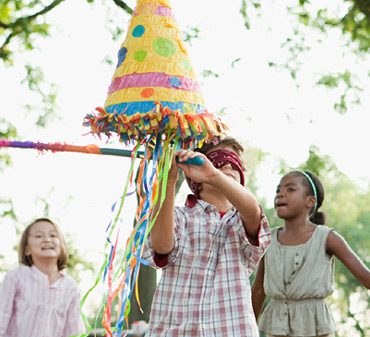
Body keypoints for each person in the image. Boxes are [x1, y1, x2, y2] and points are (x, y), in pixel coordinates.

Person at [142, 137, 271, 337]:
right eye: (219, 161)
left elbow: (252, 210)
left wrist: (214, 175)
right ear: (195, 180)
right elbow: (161, 246)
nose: (228, 165)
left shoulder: (242, 221)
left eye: (234, 163)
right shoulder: (179, 216)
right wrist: (168, 181)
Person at [251, 170, 370, 337]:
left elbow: (367, 278)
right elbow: (258, 290)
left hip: (315, 329)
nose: (280, 194)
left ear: (310, 201)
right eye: (278, 190)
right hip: (276, 330)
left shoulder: (327, 238)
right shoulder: (268, 240)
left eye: (290, 189)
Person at [0, 217, 85, 337]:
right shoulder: (16, 278)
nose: (47, 239)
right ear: (27, 249)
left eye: (53, 235)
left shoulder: (70, 287)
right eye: (39, 236)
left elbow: (75, 331)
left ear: (61, 247)